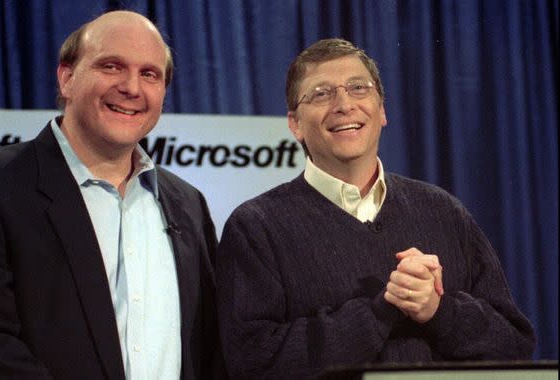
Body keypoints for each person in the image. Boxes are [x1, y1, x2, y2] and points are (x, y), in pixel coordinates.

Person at [0, 10, 222, 380]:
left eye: (149, 74)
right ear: (66, 78)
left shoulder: (188, 204)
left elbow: (208, 348)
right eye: (111, 66)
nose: (131, 87)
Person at [215, 38, 535, 379]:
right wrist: (381, 310)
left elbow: (515, 345)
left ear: (381, 110)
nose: (344, 105)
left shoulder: (443, 210)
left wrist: (438, 310)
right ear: (295, 123)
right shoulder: (256, 227)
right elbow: (252, 364)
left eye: (358, 88)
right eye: (321, 93)